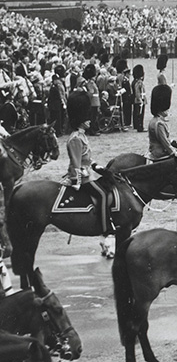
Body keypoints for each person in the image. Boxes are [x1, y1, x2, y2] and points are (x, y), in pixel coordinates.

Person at [65, 91, 115, 257]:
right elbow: (76, 163)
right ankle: (105, 230)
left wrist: (97, 166)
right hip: (82, 177)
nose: (89, 119)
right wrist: (77, 181)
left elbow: (87, 158)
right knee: (101, 194)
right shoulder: (75, 138)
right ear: (79, 118)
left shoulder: (81, 136)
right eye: (86, 117)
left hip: (88, 173)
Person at [148, 84, 177, 161]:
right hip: (160, 154)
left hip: (154, 151)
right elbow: (165, 142)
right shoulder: (159, 123)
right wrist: (175, 152)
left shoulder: (153, 120)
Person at [132, 64, 146, 132]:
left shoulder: (135, 81)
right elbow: (138, 92)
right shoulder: (139, 82)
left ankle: (137, 125)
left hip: (138, 100)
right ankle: (140, 127)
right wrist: (140, 100)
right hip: (139, 100)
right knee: (140, 114)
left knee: (137, 113)